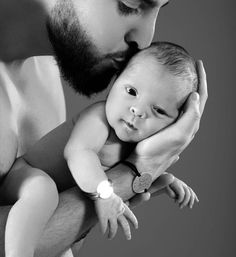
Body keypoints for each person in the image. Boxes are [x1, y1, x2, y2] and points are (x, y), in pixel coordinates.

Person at [0, 0, 207, 256]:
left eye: (158, 10)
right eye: (129, 5)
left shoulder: (45, 71)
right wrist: (138, 169)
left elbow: (47, 240)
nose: (144, 41)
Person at [0, 42, 200, 257]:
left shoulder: (135, 142)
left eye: (159, 110)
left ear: (174, 123)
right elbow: (78, 154)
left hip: (56, 204)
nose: (138, 110)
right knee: (43, 192)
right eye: (131, 91)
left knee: (64, 251)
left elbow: (138, 172)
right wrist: (105, 195)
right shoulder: (99, 118)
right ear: (115, 82)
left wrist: (164, 178)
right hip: (26, 177)